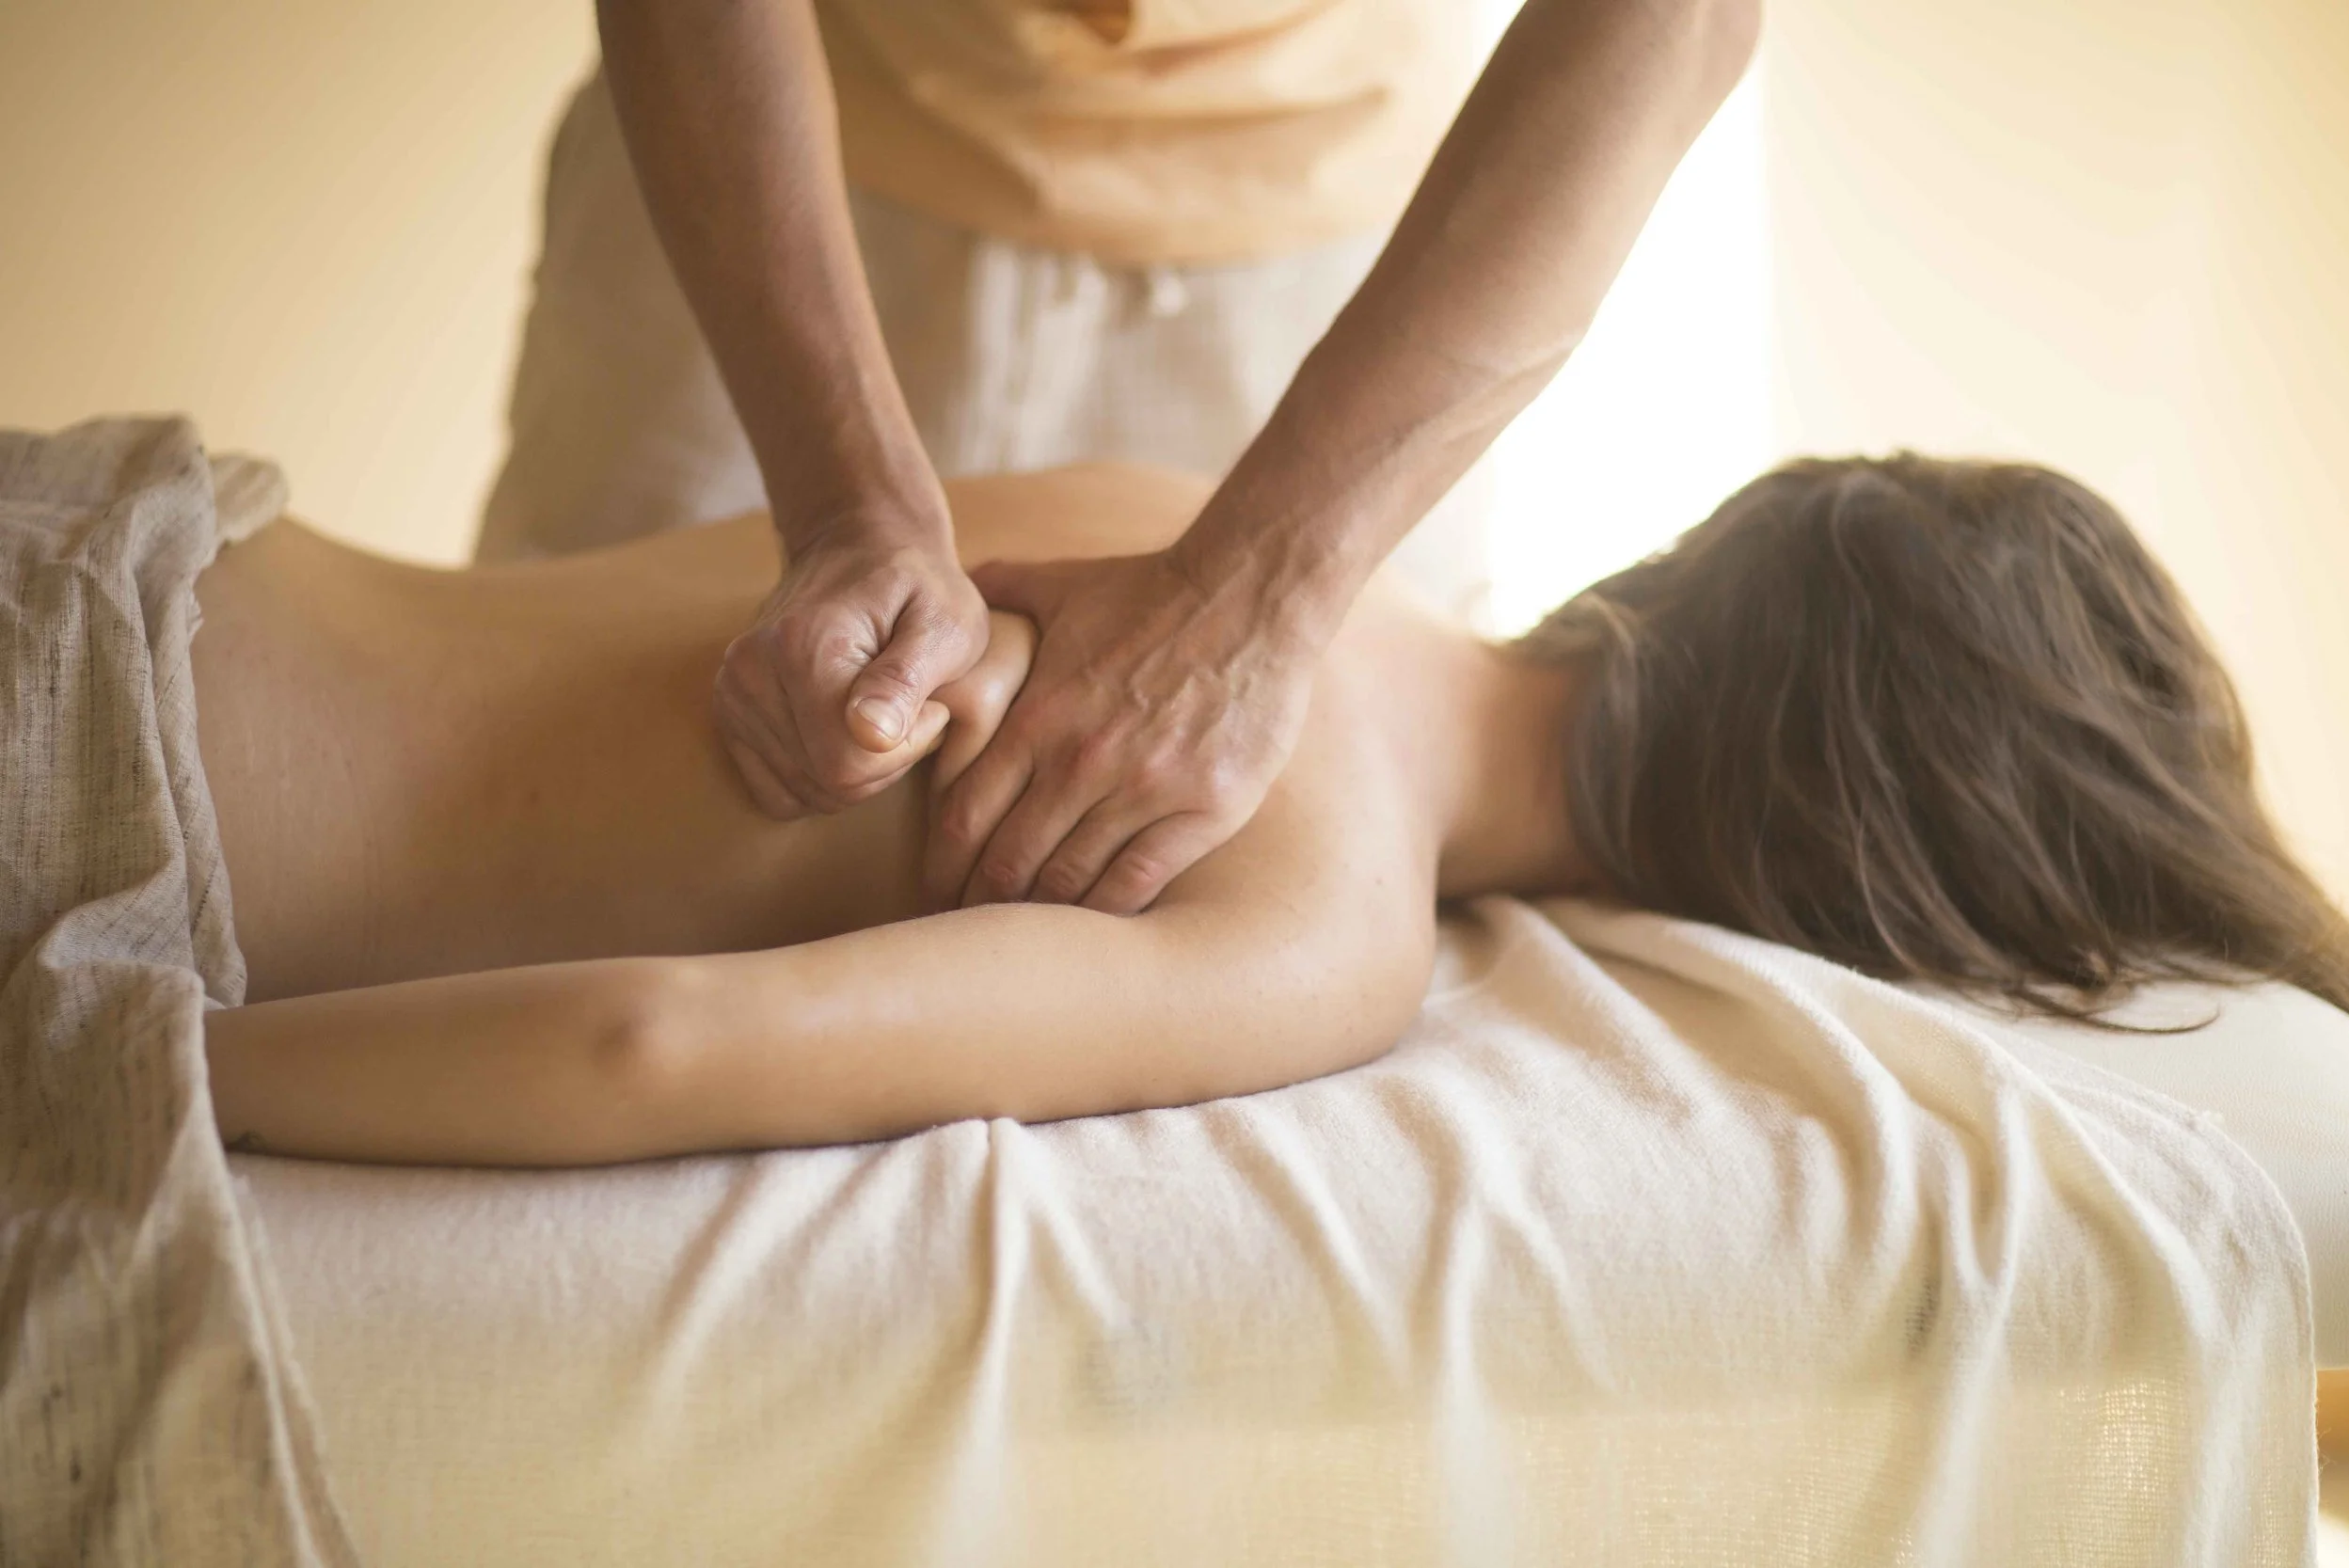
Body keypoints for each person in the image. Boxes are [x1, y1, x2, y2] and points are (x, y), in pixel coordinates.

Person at [199, 454, 2349, 1166]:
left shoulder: (1201, 515)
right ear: (1867, 895)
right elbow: (644, 1046)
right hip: (115, 808)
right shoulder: (1325, 908)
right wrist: (128, 1070)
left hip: (165, 557)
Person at [474, 0, 1762, 924]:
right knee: (580, 786)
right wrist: (834, 503)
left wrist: (1261, 591)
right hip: (779, 159)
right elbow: (641, 1040)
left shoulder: (1344, 865)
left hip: (1339, 273)